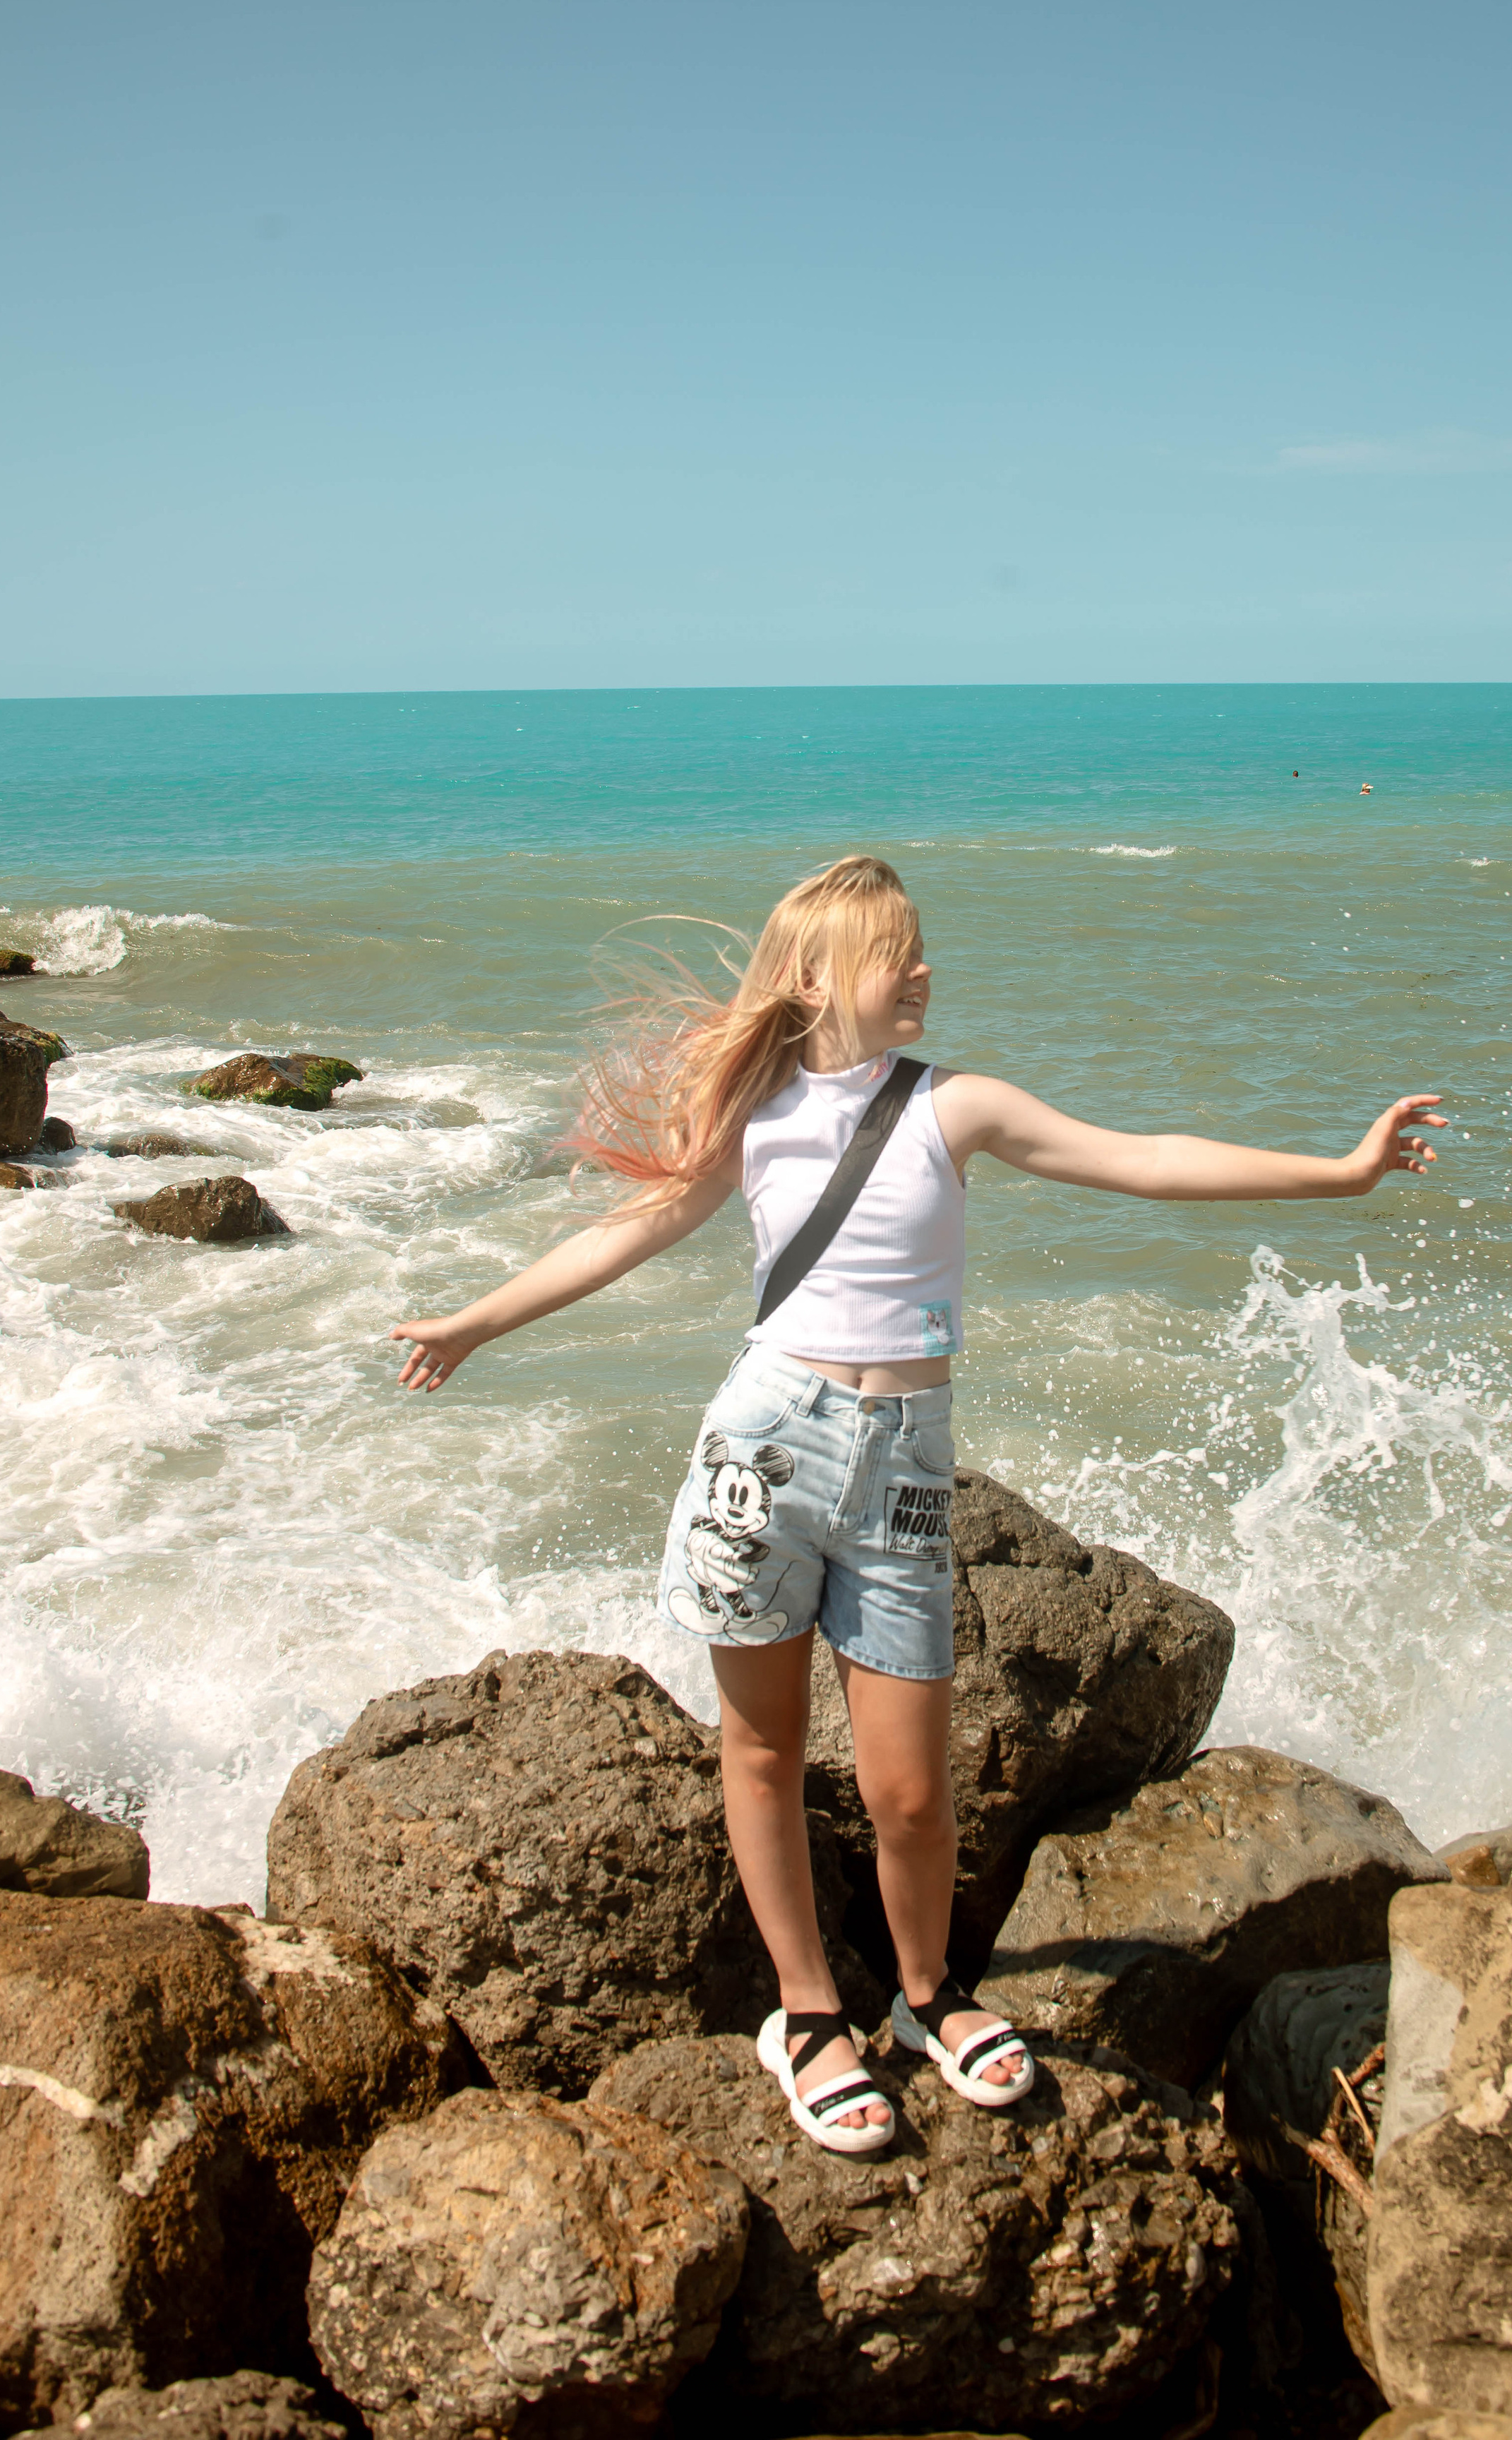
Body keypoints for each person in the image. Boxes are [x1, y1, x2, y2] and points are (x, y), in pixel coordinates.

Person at [392, 854, 1446, 2156]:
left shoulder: (959, 1107)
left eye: (924, 949)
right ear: (824, 978)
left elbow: (1145, 1162)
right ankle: (809, 2012)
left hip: (903, 1465)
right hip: (763, 1450)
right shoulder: (755, 1116)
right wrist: (477, 1323)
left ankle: (929, 1997)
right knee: (764, 1753)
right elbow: (627, 1232)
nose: (926, 971)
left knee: (910, 1793)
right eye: (902, 953)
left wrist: (1341, 1174)